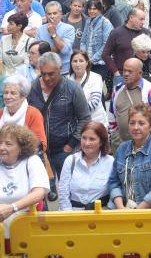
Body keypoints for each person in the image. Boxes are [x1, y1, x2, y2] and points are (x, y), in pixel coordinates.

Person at [27, 52, 91, 201]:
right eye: (43, 74)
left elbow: (85, 118)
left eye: (51, 74)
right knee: (41, 193)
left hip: (64, 150)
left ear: (60, 68)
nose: (47, 78)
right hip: (39, 151)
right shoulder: (31, 88)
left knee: (68, 191)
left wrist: (71, 144)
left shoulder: (72, 88)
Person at [0, 125, 49, 239]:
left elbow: (39, 192)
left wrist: (12, 208)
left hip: (29, 232)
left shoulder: (32, 161)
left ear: (21, 147)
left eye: (8, 144)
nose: (1, 147)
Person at [108, 103, 151, 209]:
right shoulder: (122, 148)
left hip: (148, 211)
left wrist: (136, 212)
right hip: (121, 208)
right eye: (132, 123)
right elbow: (114, 182)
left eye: (141, 123)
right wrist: (121, 208)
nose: (136, 127)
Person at [107, 57, 151, 146]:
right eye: (124, 71)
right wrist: (114, 136)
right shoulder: (117, 89)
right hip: (120, 144)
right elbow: (111, 115)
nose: (126, 74)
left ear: (140, 73)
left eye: (130, 71)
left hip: (145, 146)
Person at [58, 121, 115, 211]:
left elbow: (115, 188)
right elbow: (63, 192)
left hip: (100, 213)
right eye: (84, 138)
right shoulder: (70, 161)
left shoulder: (110, 162)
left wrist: (108, 210)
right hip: (73, 212)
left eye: (92, 139)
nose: (87, 143)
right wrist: (69, 215)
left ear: (101, 142)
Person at [101, 8, 151, 86]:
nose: (143, 22)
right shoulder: (117, 33)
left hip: (142, 76)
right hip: (122, 76)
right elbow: (105, 54)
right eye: (141, 19)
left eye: (144, 19)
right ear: (131, 18)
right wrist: (116, 72)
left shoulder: (146, 33)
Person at [68, 50, 108, 127]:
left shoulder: (96, 78)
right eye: (75, 61)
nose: (78, 64)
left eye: (81, 61)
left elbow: (94, 102)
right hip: (75, 124)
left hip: (95, 122)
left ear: (87, 63)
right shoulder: (67, 80)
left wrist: (74, 110)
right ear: (71, 63)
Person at [80, 0, 114, 80]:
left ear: (99, 10)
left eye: (94, 9)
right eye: (90, 9)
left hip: (100, 63)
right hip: (88, 62)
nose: (92, 11)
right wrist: (85, 56)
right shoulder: (88, 21)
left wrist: (92, 59)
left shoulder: (105, 23)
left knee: (97, 85)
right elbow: (83, 41)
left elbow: (106, 45)